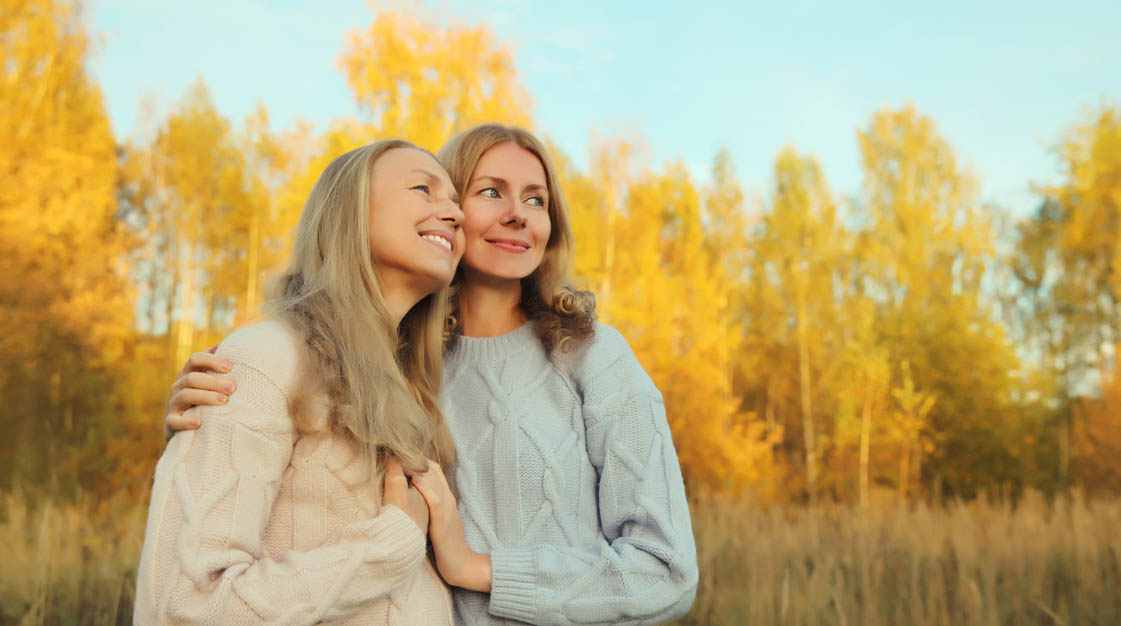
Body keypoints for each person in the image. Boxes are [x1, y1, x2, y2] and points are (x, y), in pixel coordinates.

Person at [165, 124, 699, 625]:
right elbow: (301, 502)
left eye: (536, 200)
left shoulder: (592, 354)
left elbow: (665, 570)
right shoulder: (395, 369)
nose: (518, 214)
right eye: (491, 192)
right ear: (451, 214)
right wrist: (203, 426)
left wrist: (478, 569)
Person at [136, 139, 464, 625]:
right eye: (424, 189)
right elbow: (185, 604)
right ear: (348, 212)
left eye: (457, 203)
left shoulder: (416, 396)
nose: (454, 214)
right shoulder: (263, 360)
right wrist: (389, 546)